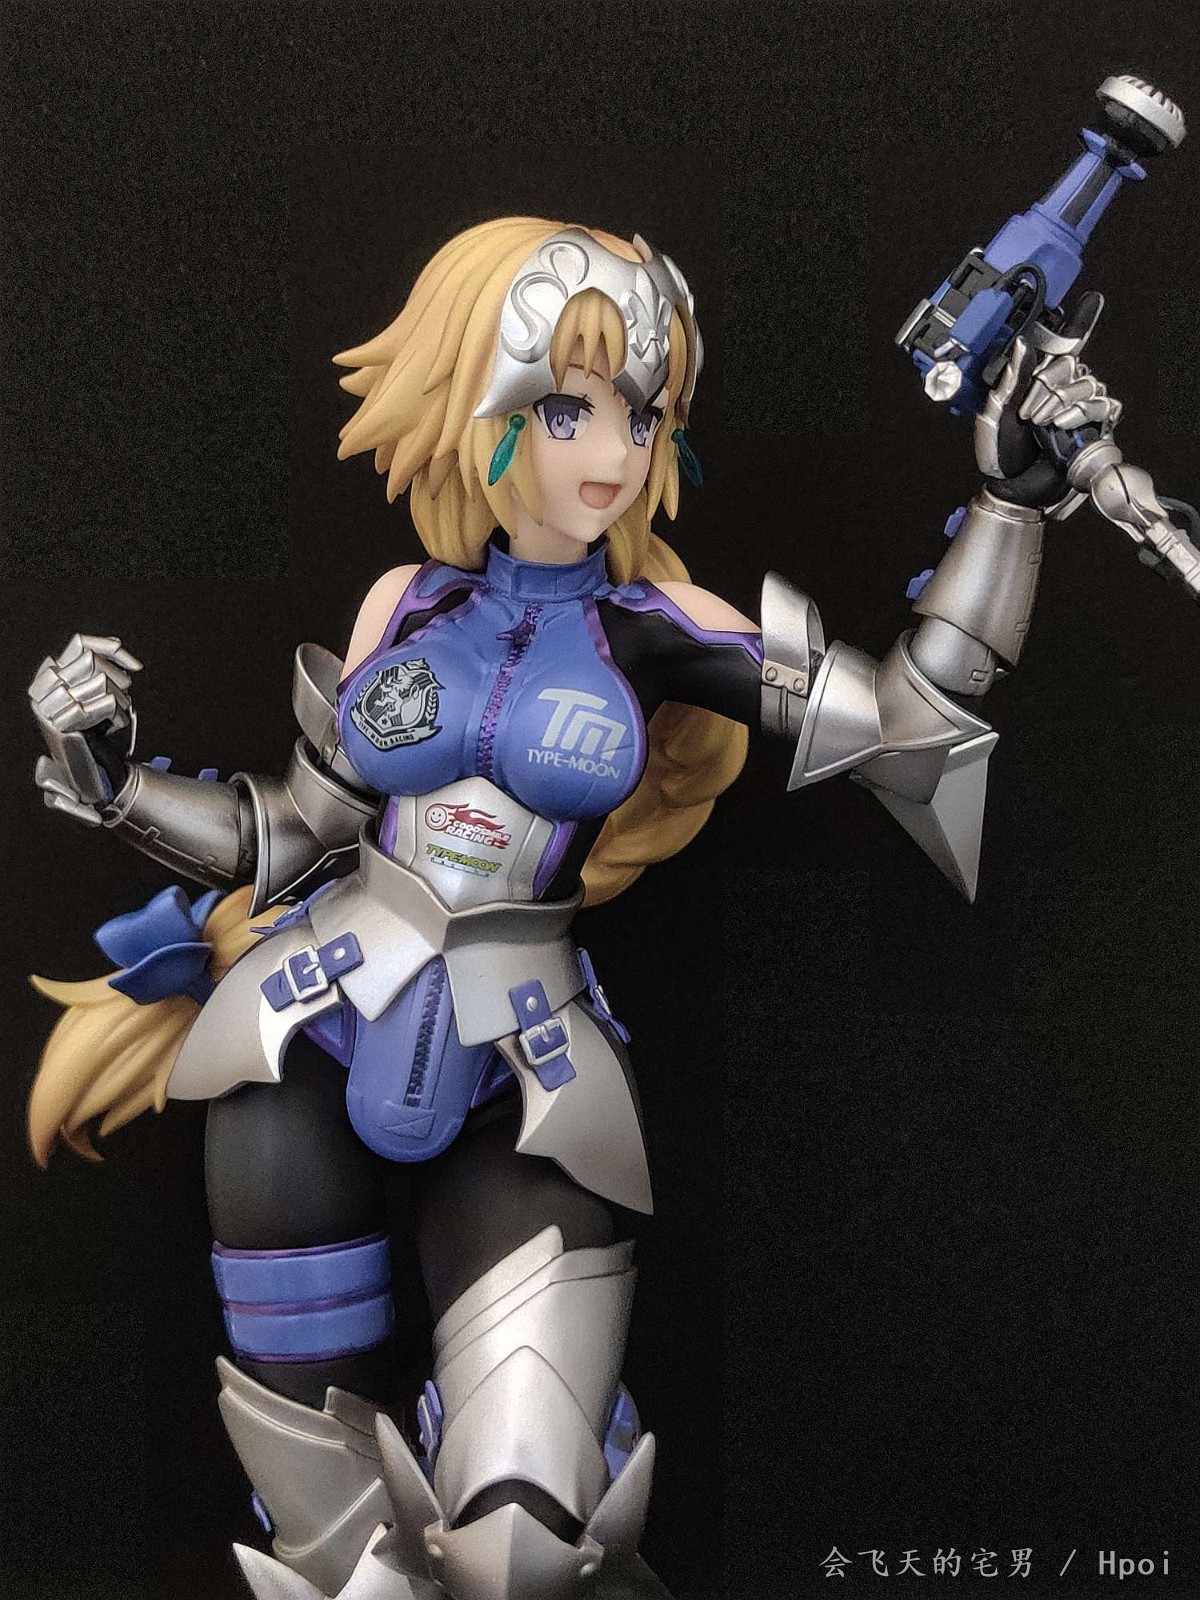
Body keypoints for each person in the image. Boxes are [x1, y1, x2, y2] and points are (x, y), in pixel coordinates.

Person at [26, 216, 1126, 1600]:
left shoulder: (657, 631)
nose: (613, 448)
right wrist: (108, 775)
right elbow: (288, 833)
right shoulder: (405, 605)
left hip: (530, 1069)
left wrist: (1010, 507)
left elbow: (909, 728)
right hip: (301, 1041)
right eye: (568, 408)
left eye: (640, 412)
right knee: (337, 1549)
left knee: (530, 1537)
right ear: (479, 407)